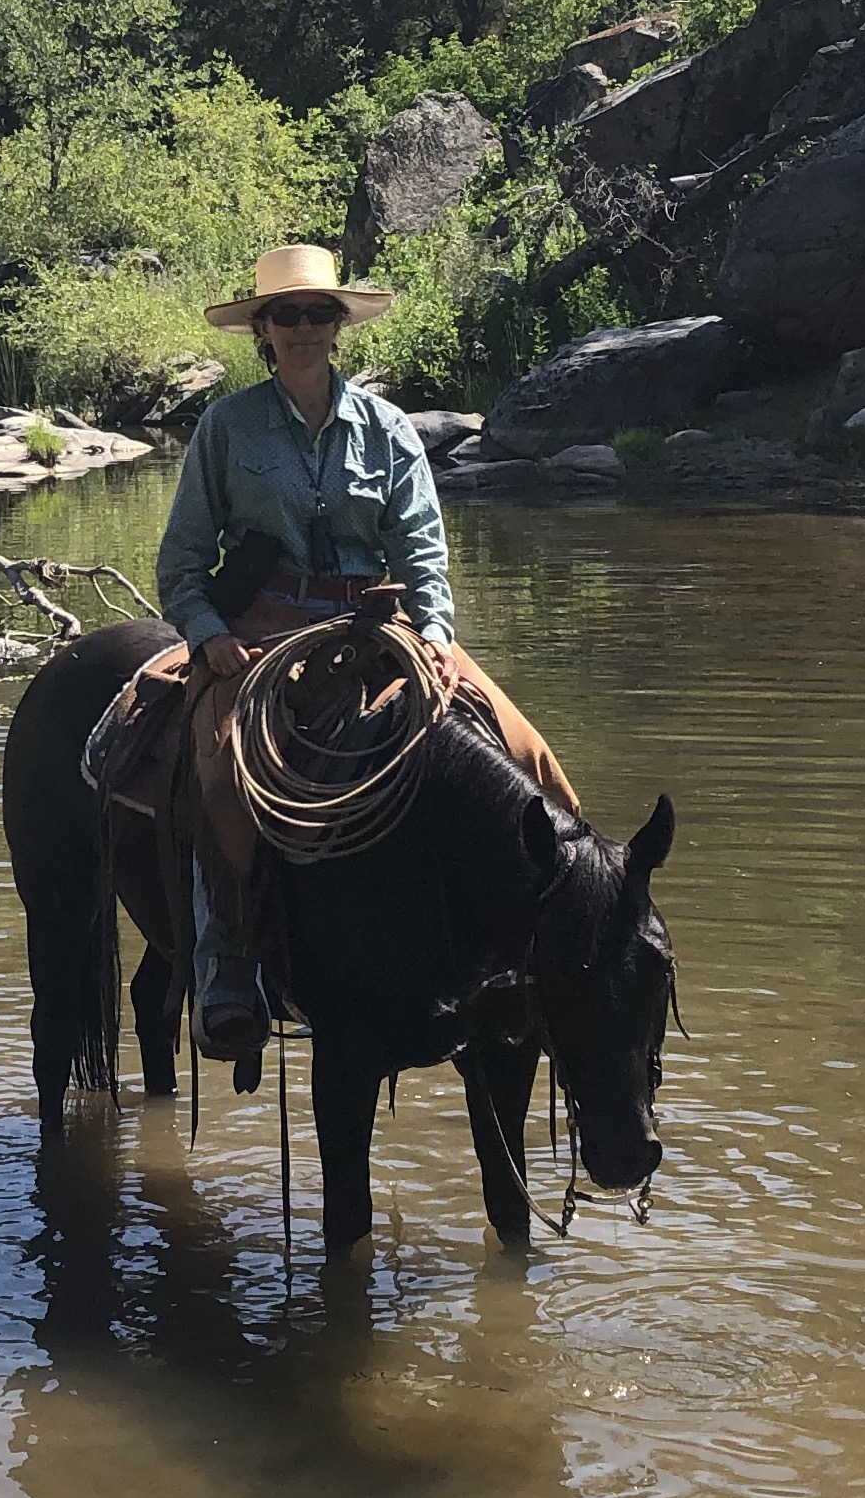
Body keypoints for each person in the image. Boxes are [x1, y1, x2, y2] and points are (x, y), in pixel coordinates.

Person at [151, 243, 572, 1063]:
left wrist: (439, 637)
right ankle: (229, 962)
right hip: (263, 633)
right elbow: (181, 562)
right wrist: (209, 635)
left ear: (339, 327)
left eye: (319, 314)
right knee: (219, 765)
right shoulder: (225, 427)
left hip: (380, 629)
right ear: (262, 331)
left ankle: (565, 922)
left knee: (523, 747)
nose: (303, 328)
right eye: (286, 316)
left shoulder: (387, 430)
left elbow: (422, 553)